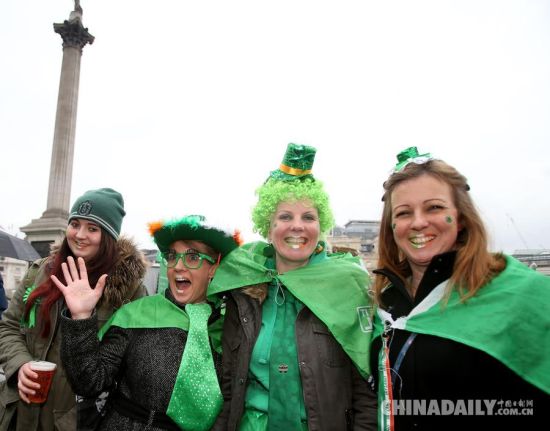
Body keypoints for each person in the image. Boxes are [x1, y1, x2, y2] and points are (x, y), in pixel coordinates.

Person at [371, 147, 550, 430]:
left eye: (434, 208)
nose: (418, 222)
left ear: (461, 217)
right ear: (391, 227)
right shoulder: (384, 304)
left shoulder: (522, 295)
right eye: (404, 212)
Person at [209, 143, 377, 430]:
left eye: (308, 217)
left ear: (319, 225)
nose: (297, 227)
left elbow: (366, 393)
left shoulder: (348, 286)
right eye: (285, 217)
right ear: (269, 227)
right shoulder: (245, 290)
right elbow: (229, 386)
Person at [57, 215, 242, 430]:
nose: (178, 266)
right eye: (172, 256)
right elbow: (89, 382)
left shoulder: (232, 327)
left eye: (192, 257)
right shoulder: (135, 315)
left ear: (213, 267)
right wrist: (81, 318)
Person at [0, 187, 147, 431]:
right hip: (19, 413)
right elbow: (9, 326)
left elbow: (117, 367)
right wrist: (20, 365)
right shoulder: (41, 272)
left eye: (93, 228)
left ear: (109, 236)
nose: (80, 235)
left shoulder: (129, 292)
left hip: (74, 421)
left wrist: (82, 318)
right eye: (75, 224)